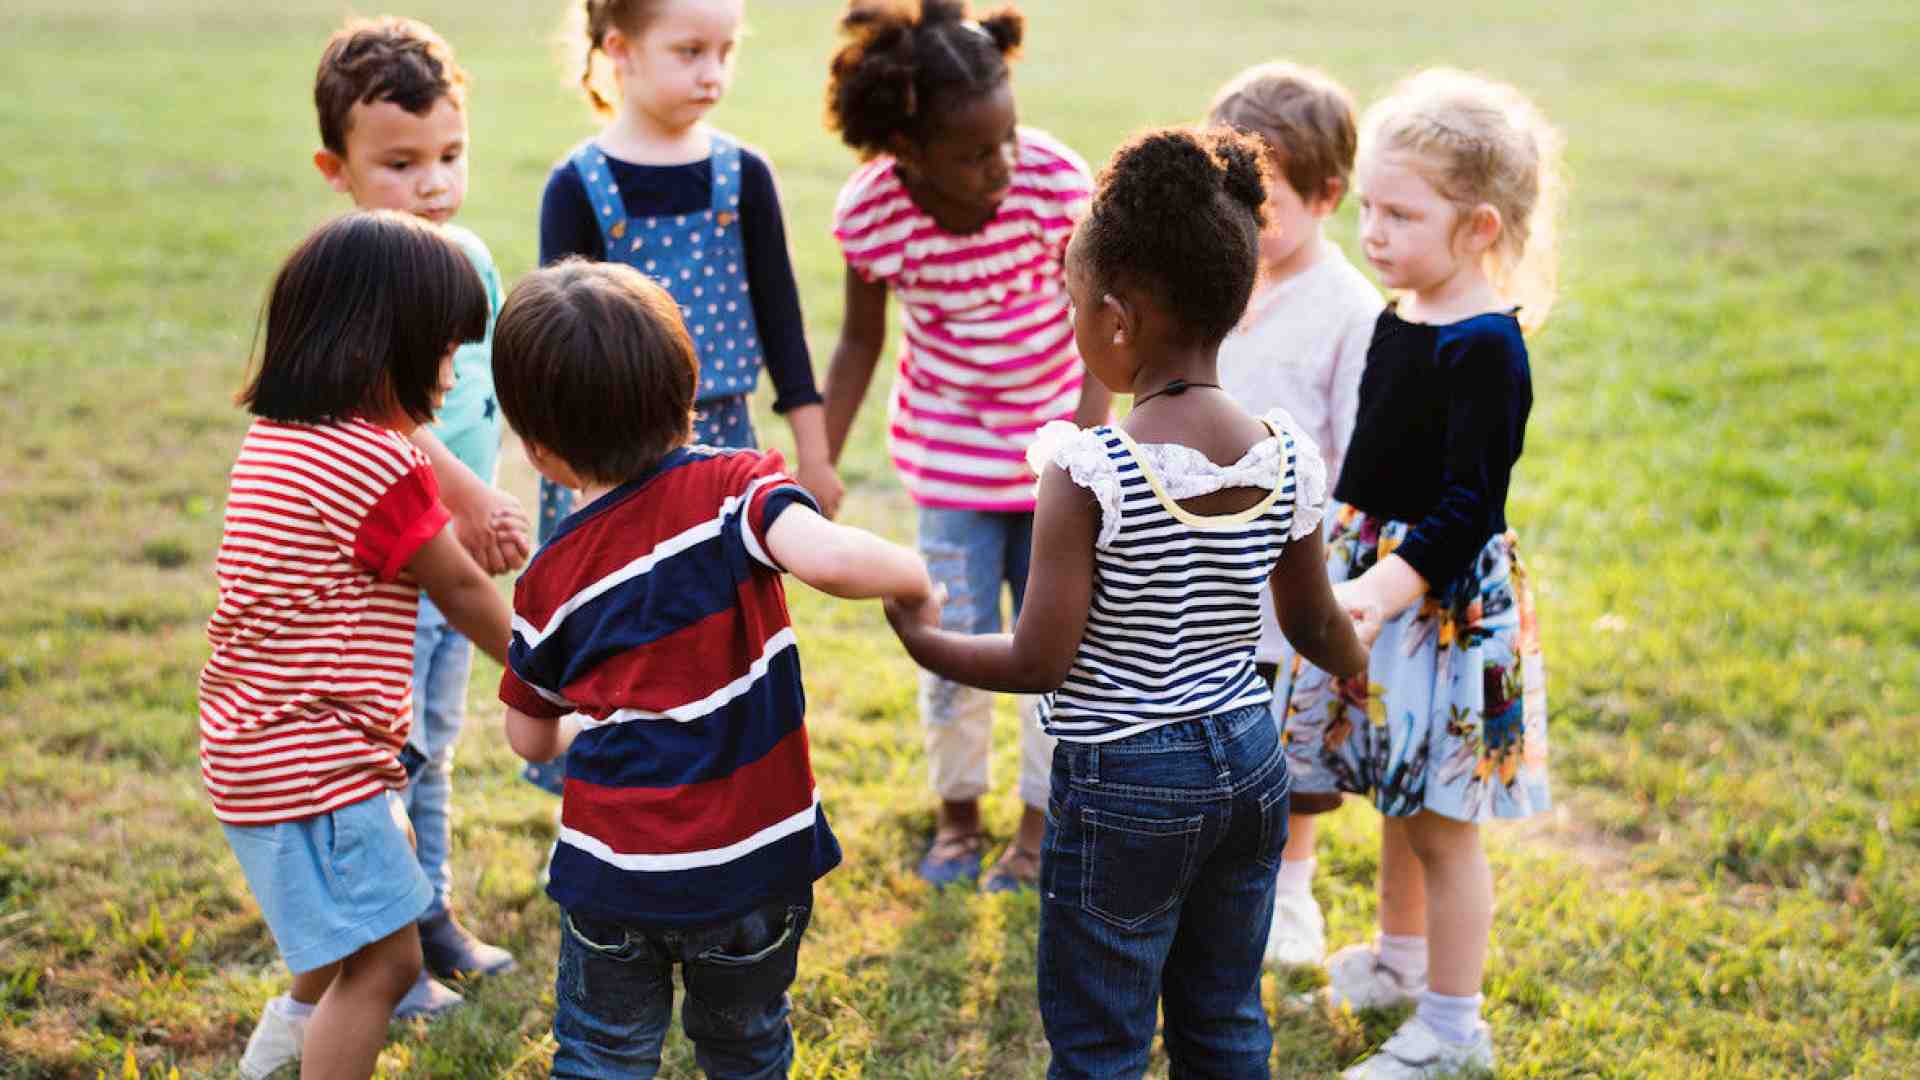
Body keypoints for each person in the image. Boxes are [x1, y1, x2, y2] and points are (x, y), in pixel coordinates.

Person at [885, 128, 1373, 1078]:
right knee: (1224, 1015)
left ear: (1114, 321)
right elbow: (1317, 626)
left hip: (1126, 783)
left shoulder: (1090, 469)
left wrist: (928, 639)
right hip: (1246, 764)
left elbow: (1038, 662)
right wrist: (1356, 650)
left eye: (1072, 307)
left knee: (1104, 1032)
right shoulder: (1285, 457)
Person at [490, 259, 935, 1078]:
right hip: (751, 868)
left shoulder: (547, 583)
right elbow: (831, 561)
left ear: (540, 451)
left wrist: (578, 724)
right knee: (746, 1046)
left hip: (613, 877)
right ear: (687, 394)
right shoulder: (737, 493)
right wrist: (914, 576)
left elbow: (527, 734)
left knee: (602, 1056)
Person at [1278, 68, 1563, 1078]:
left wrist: (1382, 587)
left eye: (1402, 214)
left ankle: (1454, 1025)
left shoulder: (1487, 345)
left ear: (1481, 227)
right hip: (1381, 577)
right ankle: (1400, 963)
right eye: (1368, 209)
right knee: (1398, 793)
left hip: (1441, 604)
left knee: (1444, 824)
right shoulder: (1403, 314)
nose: (1375, 234)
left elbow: (1469, 506)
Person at [205, 212, 514, 1080]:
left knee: (336, 948)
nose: (454, 378)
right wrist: (542, 675)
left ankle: (269, 1065)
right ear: (385, 348)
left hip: (256, 746)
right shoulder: (377, 465)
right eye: (446, 351)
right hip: (317, 756)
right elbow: (457, 586)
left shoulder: (279, 440)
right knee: (387, 964)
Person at [823, 0, 1112, 891]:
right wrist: (818, 458)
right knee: (948, 640)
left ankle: (1035, 830)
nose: (1003, 165)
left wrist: (1085, 446)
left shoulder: (1053, 187)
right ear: (907, 152)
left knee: (1052, 645)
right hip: (947, 464)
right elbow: (860, 340)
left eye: (1009, 139)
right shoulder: (874, 216)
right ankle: (957, 820)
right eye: (977, 154)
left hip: (1054, 463)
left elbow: (1103, 324)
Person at [523, 0, 842, 805]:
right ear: (620, 50)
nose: (713, 71)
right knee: (611, 634)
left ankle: (718, 801)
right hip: (602, 462)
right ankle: (600, 805)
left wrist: (814, 451)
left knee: (715, 628)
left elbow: (782, 323)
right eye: (690, 49)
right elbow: (557, 346)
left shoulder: (746, 176)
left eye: (726, 50)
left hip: (720, 442)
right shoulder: (577, 185)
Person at [309, 14, 525, 1017]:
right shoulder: (356, 276)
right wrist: (470, 494)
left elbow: (489, 390)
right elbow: (382, 412)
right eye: (399, 163)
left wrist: (514, 477)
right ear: (337, 168)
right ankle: (379, 945)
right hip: (385, 573)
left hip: (456, 556)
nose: (432, 183)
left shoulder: (468, 254)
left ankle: (430, 914)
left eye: (449, 155)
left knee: (434, 742)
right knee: (383, 755)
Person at [1205, 60, 1384, 969]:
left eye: (1262, 200)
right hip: (1199, 559)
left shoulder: (1350, 311)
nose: (1240, 215)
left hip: (1290, 563)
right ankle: (1207, 863)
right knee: (1212, 722)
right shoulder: (1220, 276)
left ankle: (1291, 888)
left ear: (1327, 194)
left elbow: (1355, 455)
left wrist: (1331, 571)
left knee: (1291, 745)